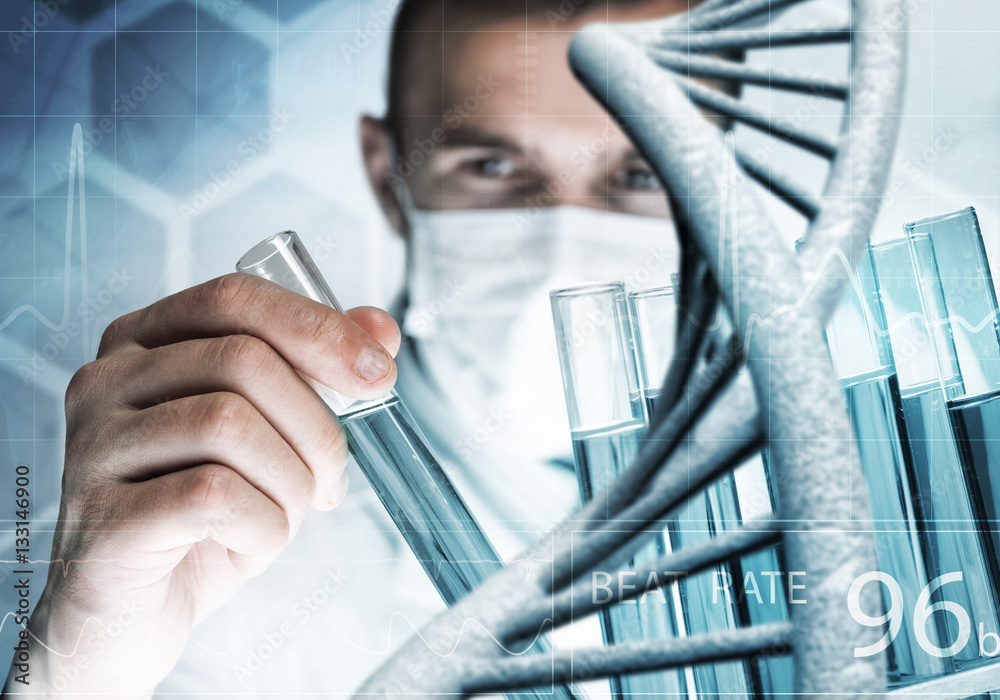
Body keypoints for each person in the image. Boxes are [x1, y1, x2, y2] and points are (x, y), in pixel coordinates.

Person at [4, 0, 686, 695]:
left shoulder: (785, 505)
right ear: (388, 169)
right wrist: (69, 668)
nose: (560, 249)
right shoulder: (226, 548)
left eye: (640, 175)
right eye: (491, 165)